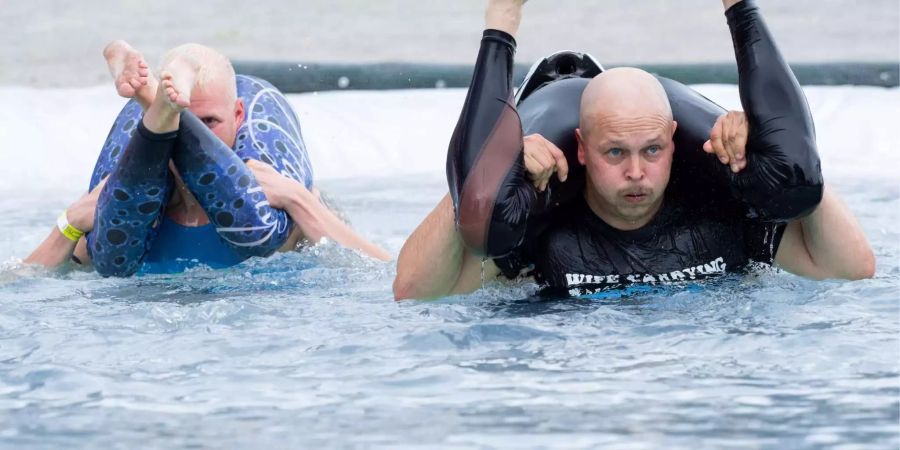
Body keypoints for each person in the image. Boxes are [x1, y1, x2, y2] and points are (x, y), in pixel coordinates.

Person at [393, 0, 874, 300]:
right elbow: (413, 291)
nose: (637, 173)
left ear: (671, 141)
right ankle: (501, 19)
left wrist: (774, 157)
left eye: (651, 151)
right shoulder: (544, 219)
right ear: (580, 150)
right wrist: (492, 170)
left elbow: (851, 270)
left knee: (791, 180)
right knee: (485, 208)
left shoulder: (715, 202)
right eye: (616, 154)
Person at [26, 41, 389, 275]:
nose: (196, 137)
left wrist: (298, 199)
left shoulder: (282, 204)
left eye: (210, 122)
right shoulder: (127, 212)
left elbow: (384, 273)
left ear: (239, 116)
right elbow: (19, 283)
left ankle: (150, 95)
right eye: (181, 118)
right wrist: (71, 220)